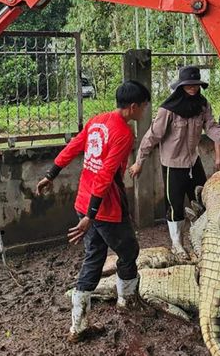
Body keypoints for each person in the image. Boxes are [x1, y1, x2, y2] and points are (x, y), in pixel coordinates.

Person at [36, 80, 150, 342]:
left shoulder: (98, 120)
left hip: (84, 198)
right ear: (133, 107)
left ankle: (78, 325)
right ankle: (127, 300)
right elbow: (106, 174)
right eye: (143, 107)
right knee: (129, 249)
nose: (143, 111)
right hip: (103, 205)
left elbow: (75, 146)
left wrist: (51, 173)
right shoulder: (123, 133)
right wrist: (91, 214)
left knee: (94, 256)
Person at [128, 66, 220, 259]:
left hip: (193, 162)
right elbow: (152, 136)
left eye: (196, 84)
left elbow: (212, 128)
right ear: (181, 86)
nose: (193, 88)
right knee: (175, 206)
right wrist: (139, 162)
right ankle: (177, 244)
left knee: (201, 201)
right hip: (173, 165)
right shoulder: (168, 110)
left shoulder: (202, 105)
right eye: (188, 85)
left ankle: (202, 240)